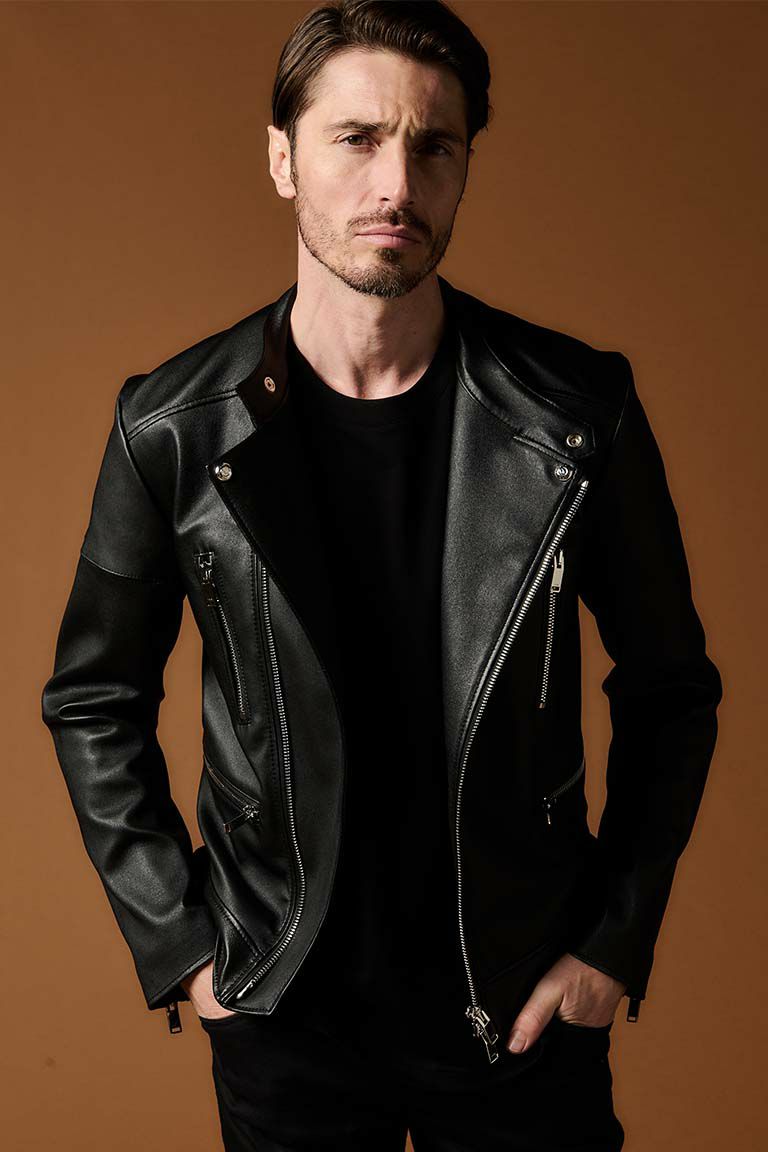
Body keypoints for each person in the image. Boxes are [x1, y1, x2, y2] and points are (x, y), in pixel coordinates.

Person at [40, 2, 723, 1149]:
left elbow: (672, 691)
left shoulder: (574, 415)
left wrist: (613, 943)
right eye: (356, 139)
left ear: (464, 169)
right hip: (285, 1018)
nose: (397, 184)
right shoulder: (171, 428)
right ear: (282, 159)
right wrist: (184, 947)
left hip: (518, 1010)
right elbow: (92, 698)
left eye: (433, 146)